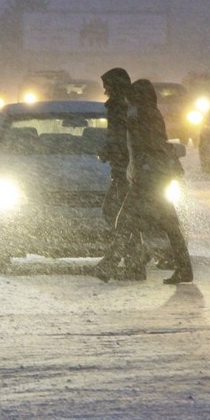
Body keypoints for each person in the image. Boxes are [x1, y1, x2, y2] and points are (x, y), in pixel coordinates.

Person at [96, 78, 193, 285]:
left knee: (126, 220)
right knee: (169, 224)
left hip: (148, 176)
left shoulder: (142, 115)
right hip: (155, 175)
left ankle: (109, 264)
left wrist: (139, 167)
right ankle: (184, 268)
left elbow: (145, 146)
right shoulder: (150, 113)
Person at [94, 67, 147, 280]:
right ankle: (135, 259)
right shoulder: (125, 107)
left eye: (107, 87)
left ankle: (130, 259)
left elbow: (123, 138)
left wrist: (110, 152)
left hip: (128, 171)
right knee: (124, 217)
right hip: (124, 169)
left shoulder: (121, 107)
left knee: (116, 214)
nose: (105, 91)